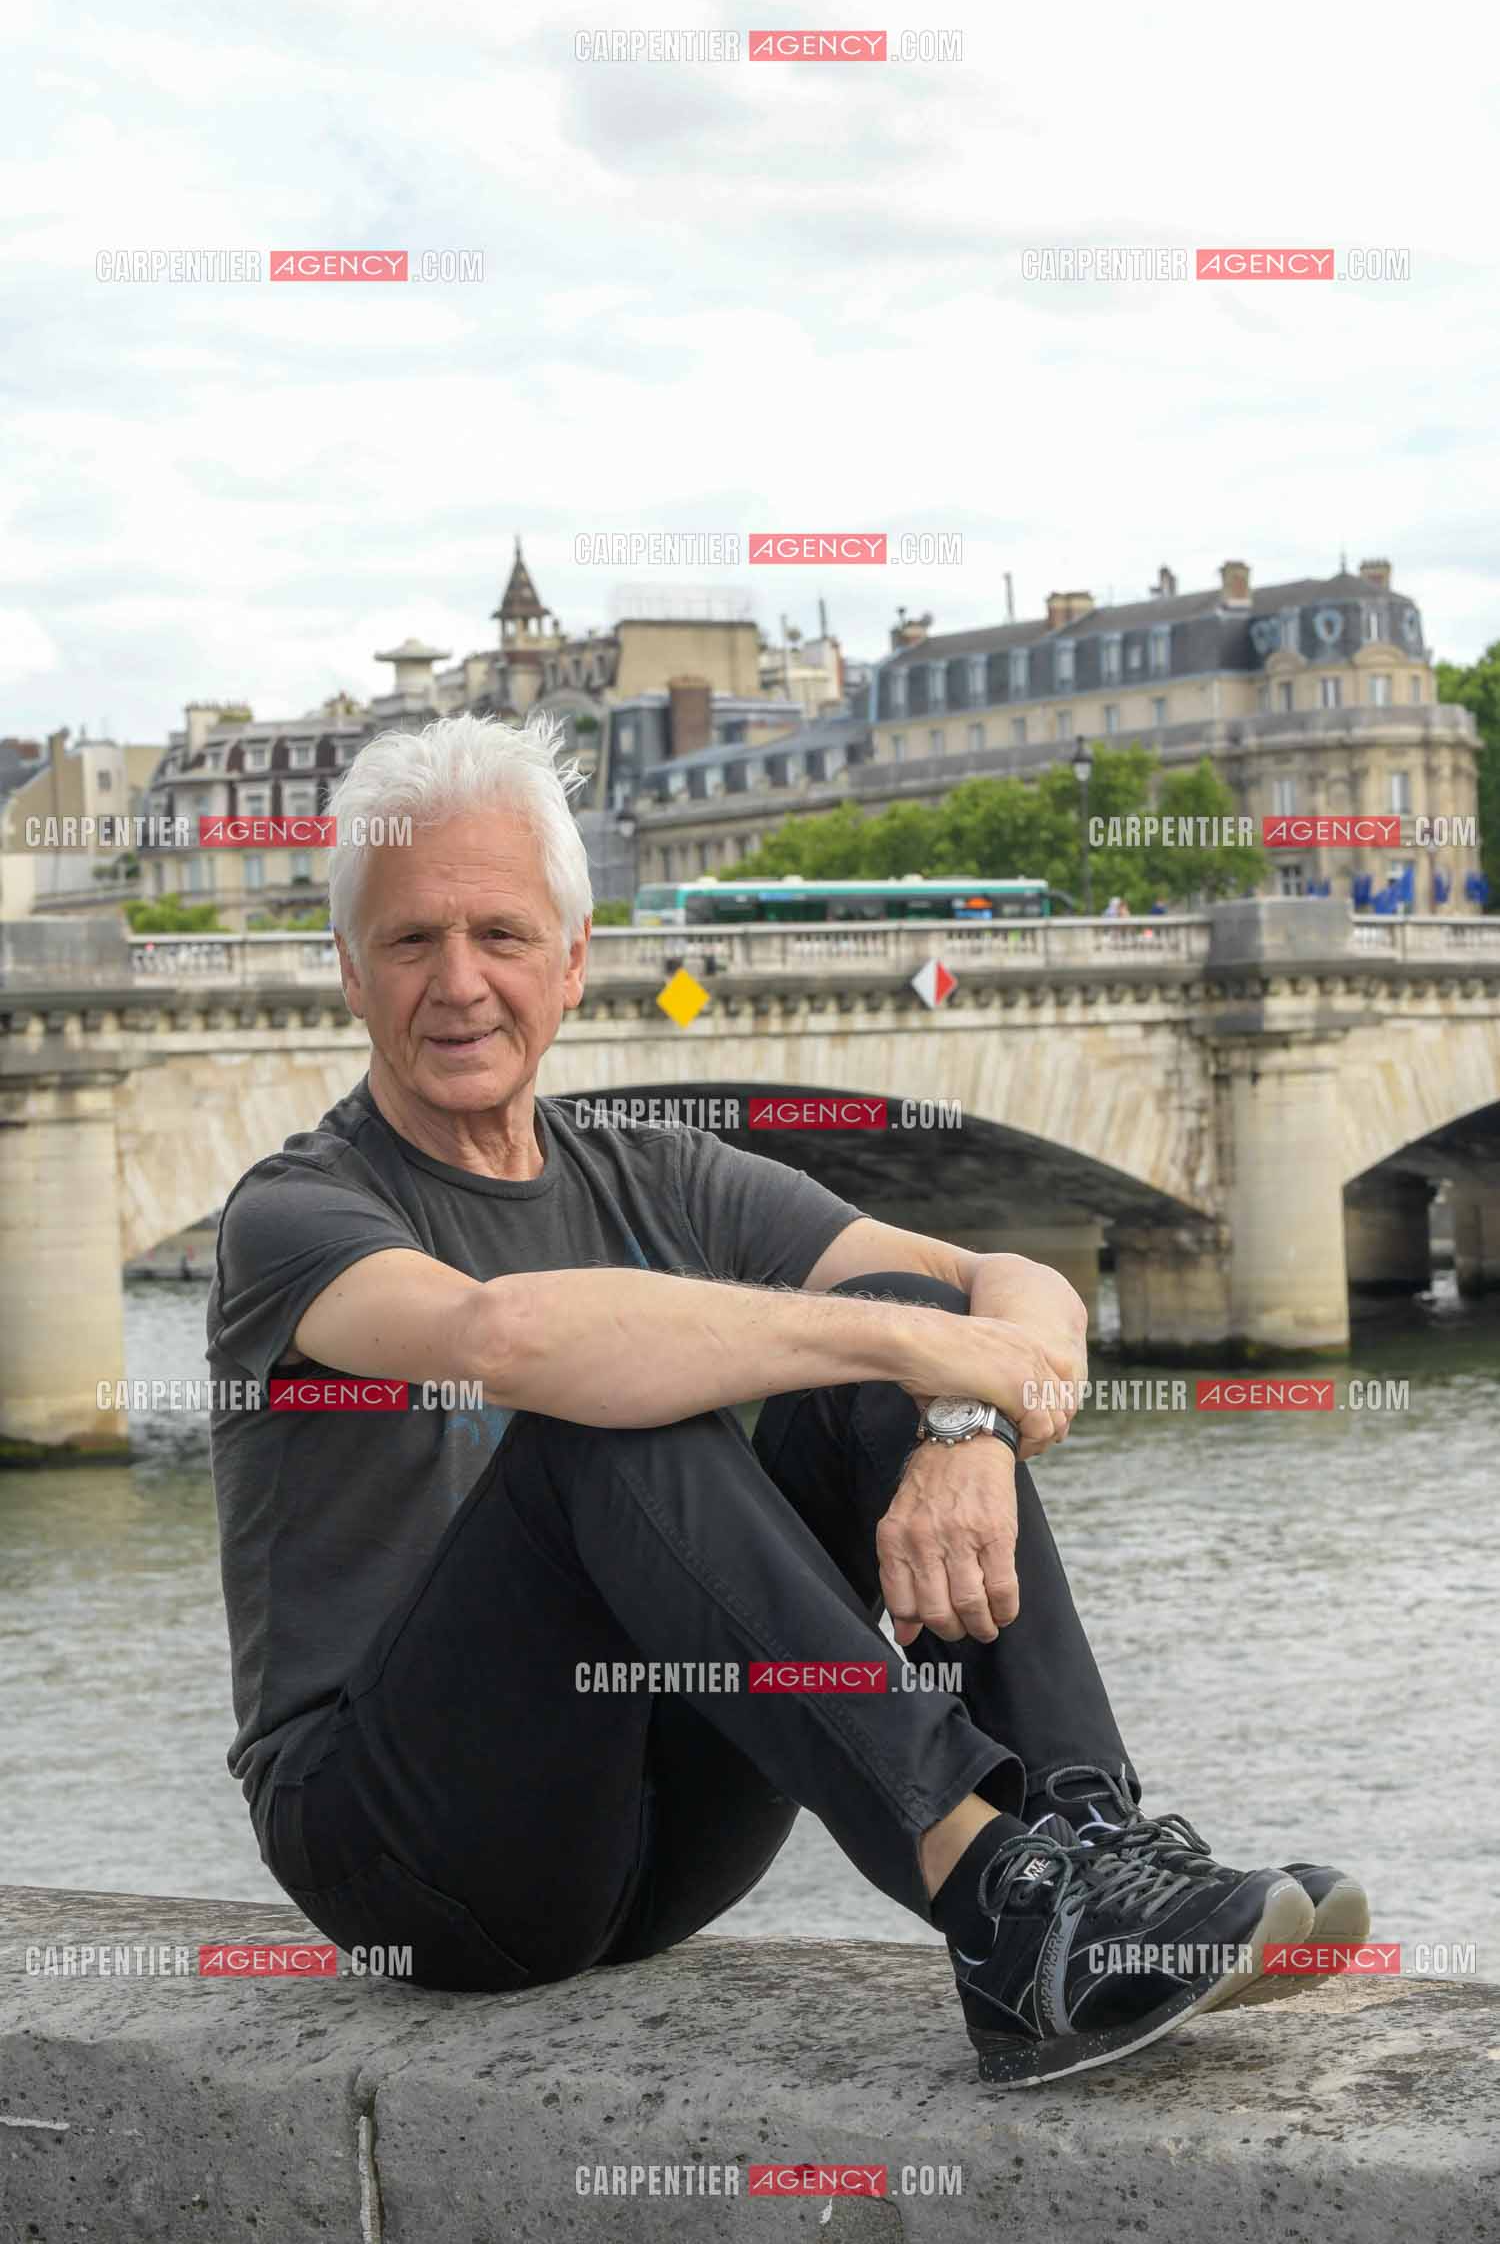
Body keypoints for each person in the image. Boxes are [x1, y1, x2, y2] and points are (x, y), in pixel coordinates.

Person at [208, 713, 1368, 2090]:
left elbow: (1013, 1286)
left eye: (502, 936)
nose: (459, 983)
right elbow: (506, 1337)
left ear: (573, 963)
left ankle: (1080, 1858)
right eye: (411, 941)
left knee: (914, 1333)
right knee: (612, 1408)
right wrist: (918, 1354)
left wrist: (957, 1420)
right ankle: (989, 1887)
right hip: (404, 1851)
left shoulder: (660, 1172)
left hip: (655, 1830)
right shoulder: (294, 1213)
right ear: (348, 968)